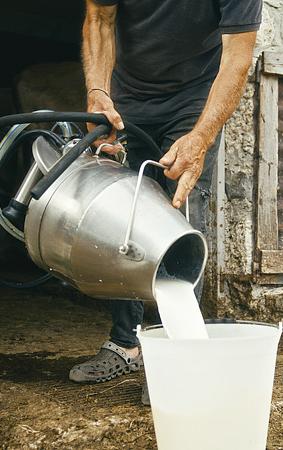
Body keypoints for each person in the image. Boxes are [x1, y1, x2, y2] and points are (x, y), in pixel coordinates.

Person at [69, 0, 261, 390]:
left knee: (183, 214)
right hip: (127, 97)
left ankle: (178, 355)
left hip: (195, 100)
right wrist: (97, 93)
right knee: (122, 211)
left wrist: (202, 136)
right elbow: (99, 18)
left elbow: (236, 60)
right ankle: (126, 345)